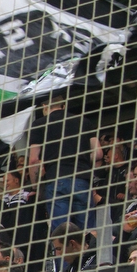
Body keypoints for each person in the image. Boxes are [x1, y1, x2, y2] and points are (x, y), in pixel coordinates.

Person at [27, 92, 103, 231]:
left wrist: (35, 187)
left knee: (61, 231)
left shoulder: (39, 124)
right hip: (82, 179)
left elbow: (33, 160)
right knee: (87, 229)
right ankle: (90, 252)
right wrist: (82, 159)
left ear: (44, 106)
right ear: (64, 105)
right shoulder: (83, 121)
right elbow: (98, 153)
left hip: (56, 180)